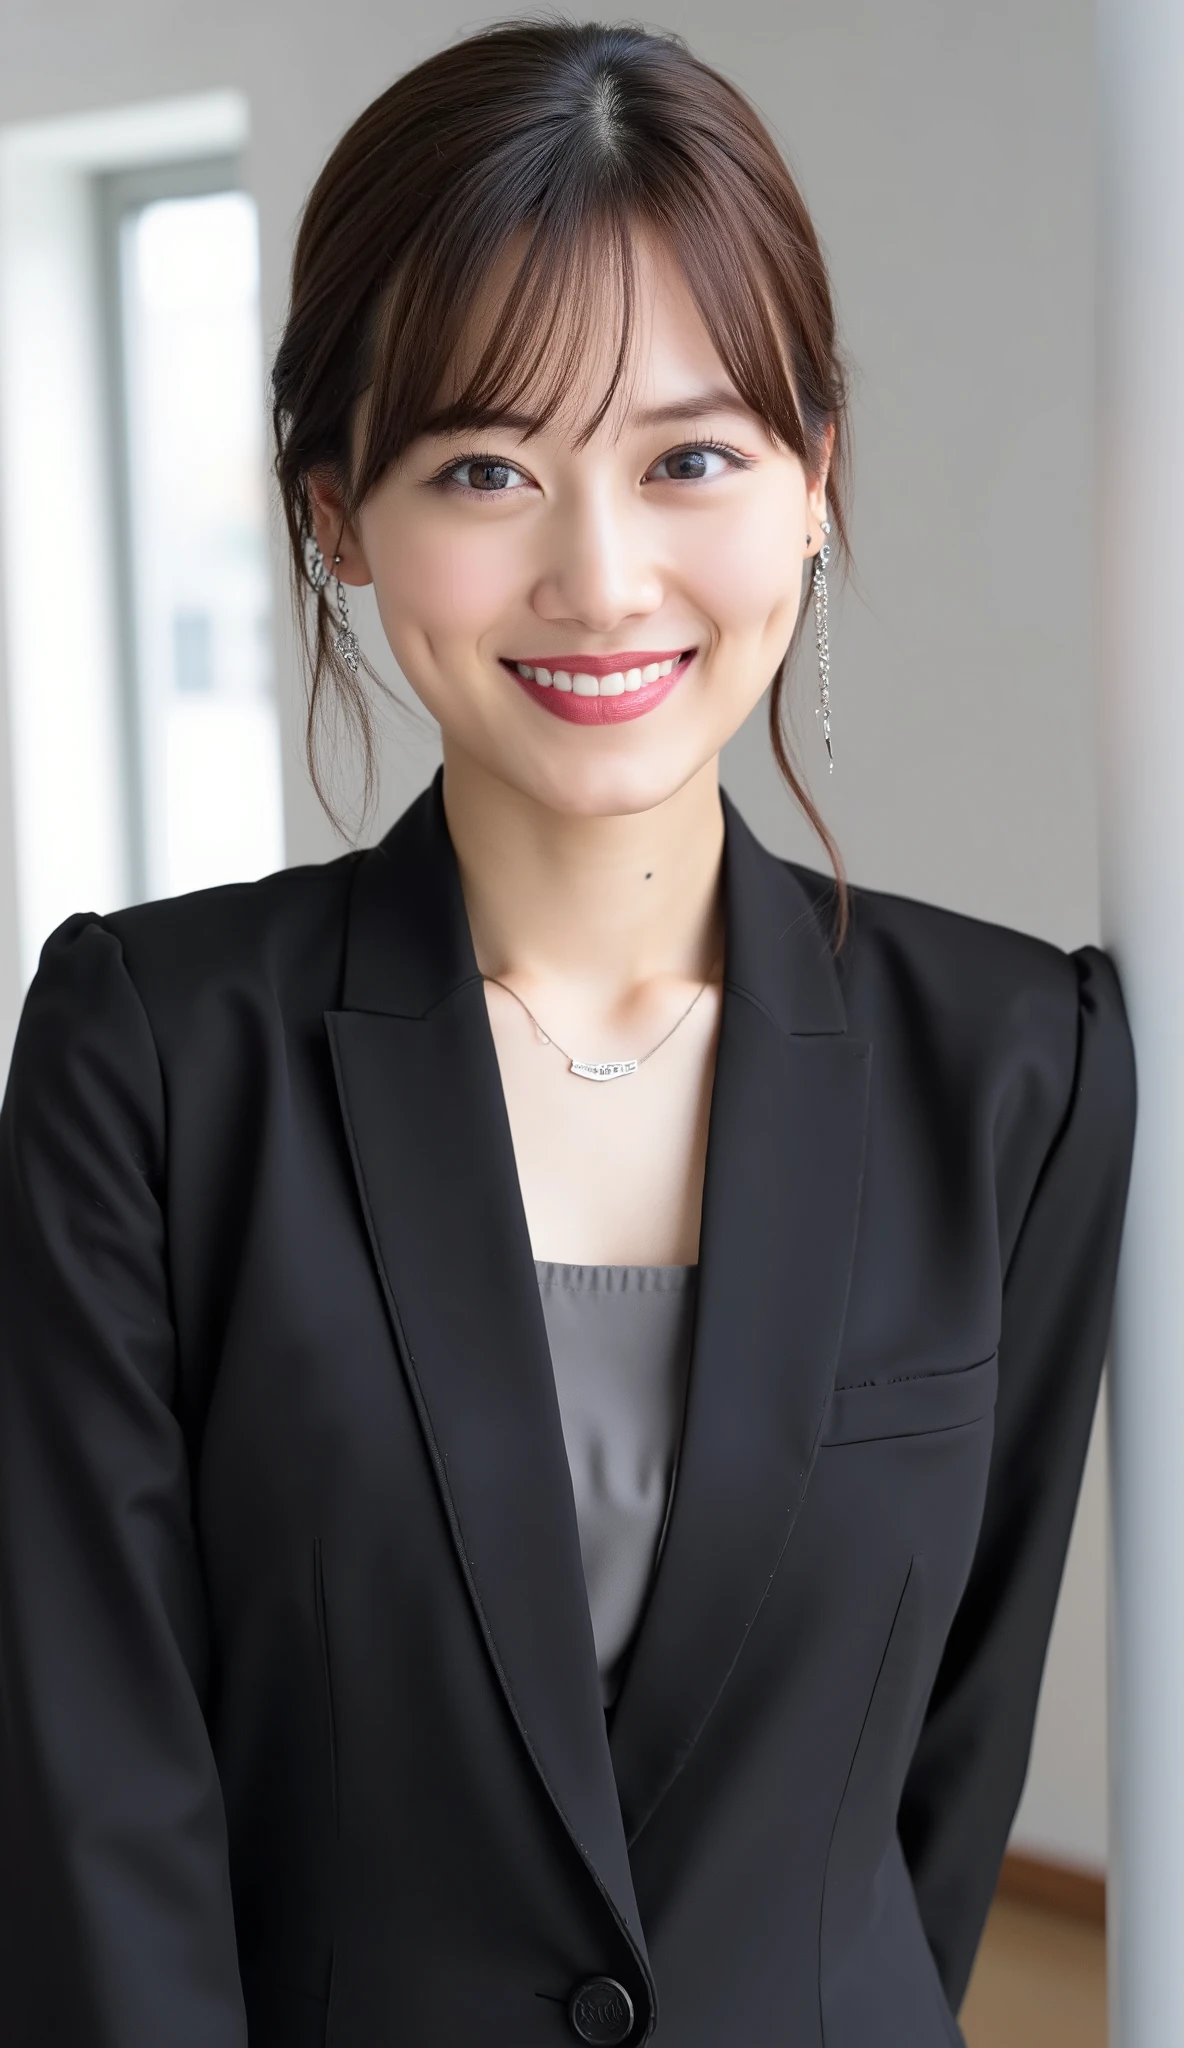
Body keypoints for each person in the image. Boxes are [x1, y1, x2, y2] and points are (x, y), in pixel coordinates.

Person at [0, 18, 1136, 2048]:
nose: (599, 577)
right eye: (484, 469)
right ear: (337, 512)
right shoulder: (152, 1056)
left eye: (689, 455)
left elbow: (938, 1777)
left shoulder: (1023, 1065)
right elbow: (95, 1806)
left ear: (811, 482)